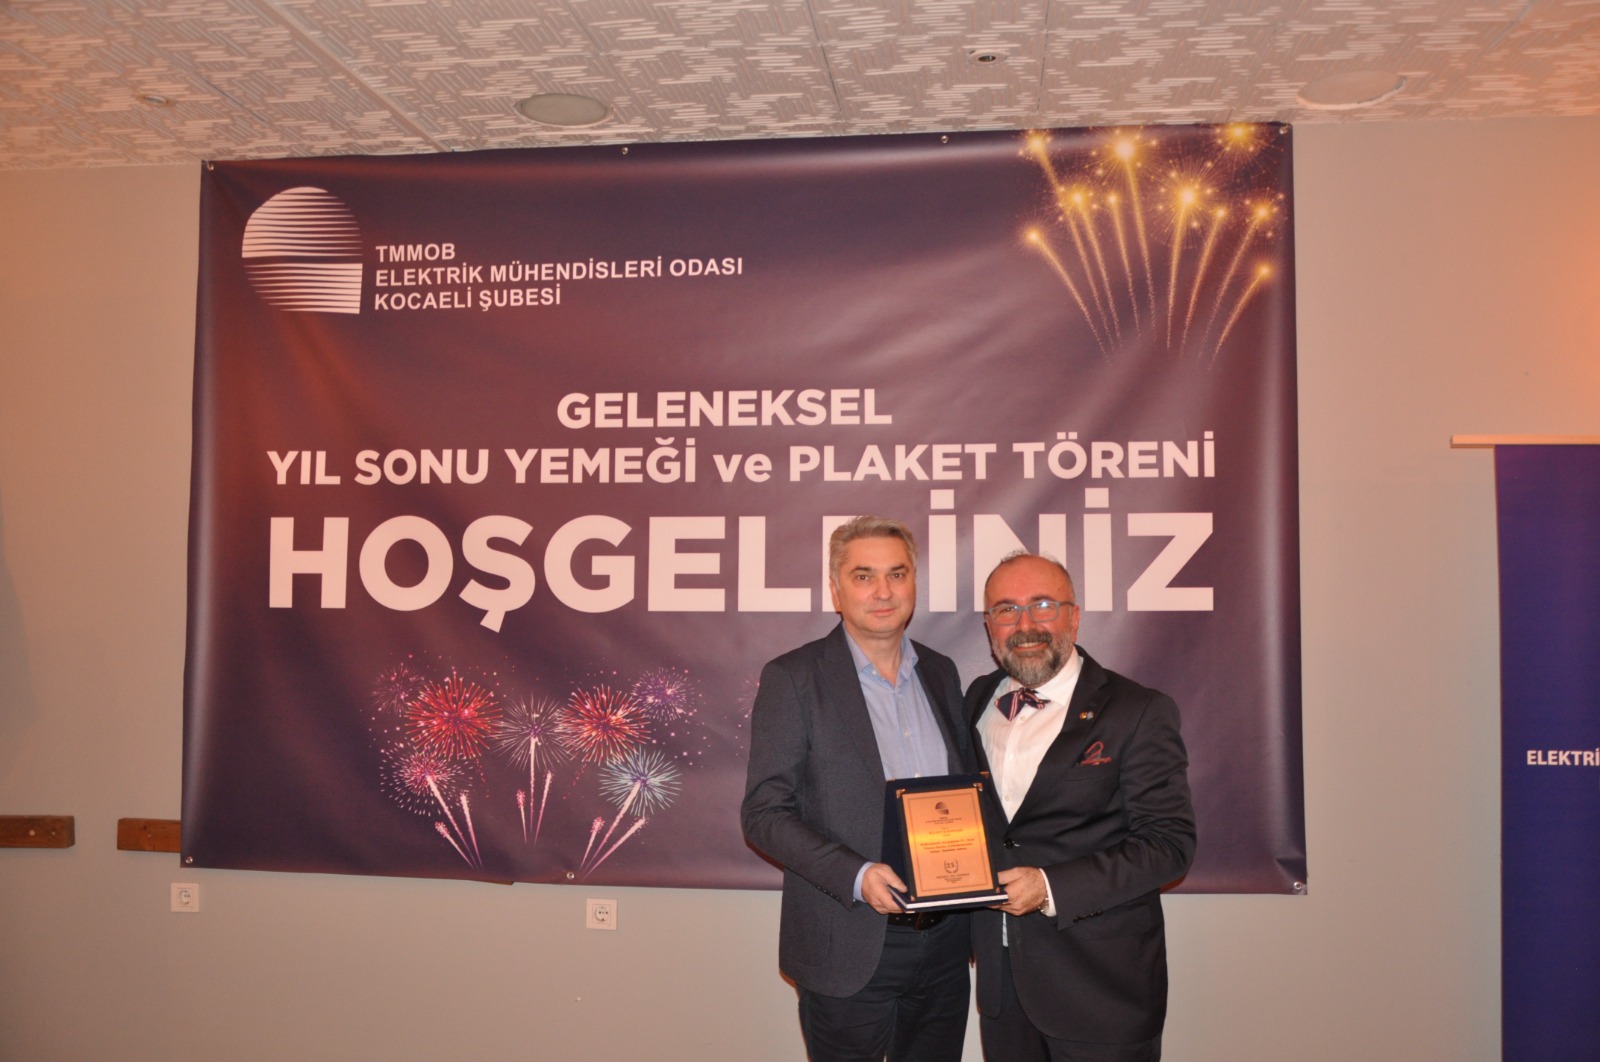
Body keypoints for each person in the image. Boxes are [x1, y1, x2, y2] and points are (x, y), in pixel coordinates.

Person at [742, 515, 975, 1062]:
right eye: (864, 576)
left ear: (913, 582)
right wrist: (857, 873)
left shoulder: (941, 673)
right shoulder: (794, 677)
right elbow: (764, 813)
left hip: (945, 943)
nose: (883, 591)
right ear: (836, 588)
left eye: (897, 574)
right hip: (849, 939)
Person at [967, 552, 1196, 1062]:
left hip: (1101, 991)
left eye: (1043, 605)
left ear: (1074, 616)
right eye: (1006, 610)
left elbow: (1169, 845)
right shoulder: (977, 700)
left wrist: (1049, 887)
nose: (1025, 625)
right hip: (1003, 990)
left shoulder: (1138, 710)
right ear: (988, 626)